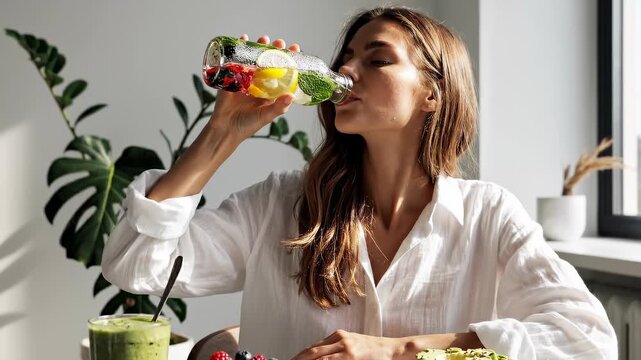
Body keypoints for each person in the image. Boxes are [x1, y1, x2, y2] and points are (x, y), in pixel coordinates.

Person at [102, 7, 617, 360]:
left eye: (377, 59)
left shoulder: (487, 216)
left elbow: (587, 342)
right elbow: (134, 266)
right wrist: (220, 134)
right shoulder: (281, 204)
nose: (346, 69)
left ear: (432, 93)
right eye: (345, 58)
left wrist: (401, 350)